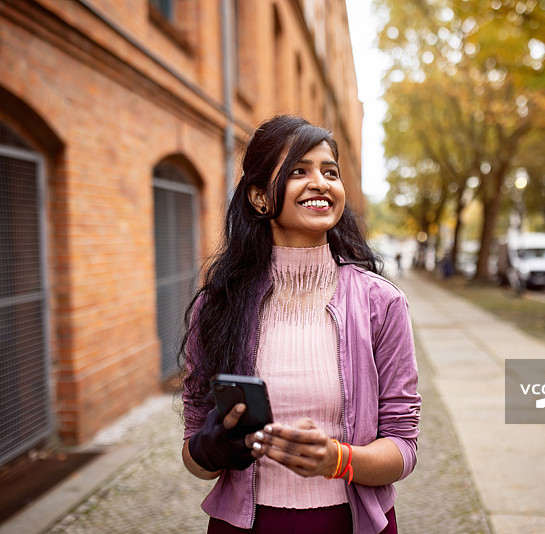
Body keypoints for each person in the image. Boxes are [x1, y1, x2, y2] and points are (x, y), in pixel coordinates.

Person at [180, 115, 421, 534]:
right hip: (246, 526)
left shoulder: (381, 303)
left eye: (330, 172)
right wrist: (215, 445)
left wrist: (338, 459)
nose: (320, 182)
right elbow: (193, 458)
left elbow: (403, 447)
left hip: (348, 523)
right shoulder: (218, 305)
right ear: (259, 197)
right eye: (298, 171)